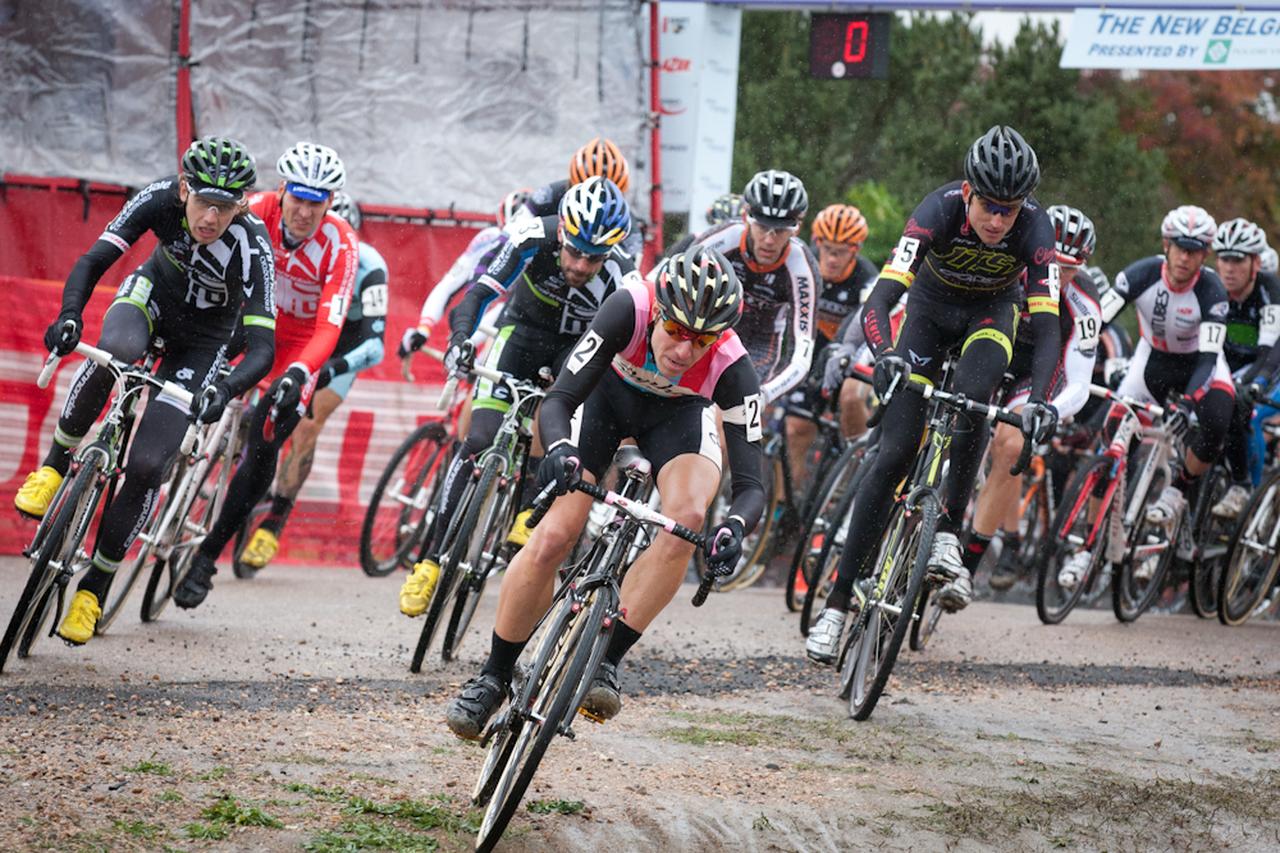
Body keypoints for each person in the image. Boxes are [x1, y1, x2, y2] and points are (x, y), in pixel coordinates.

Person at [443, 246, 765, 738]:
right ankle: (494, 675)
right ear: (658, 313)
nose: (683, 351)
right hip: (604, 400)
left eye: (700, 341)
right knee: (555, 534)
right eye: (676, 332)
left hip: (678, 418)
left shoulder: (735, 369)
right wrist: (561, 451)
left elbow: (752, 484)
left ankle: (606, 661)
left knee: (687, 520)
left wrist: (737, 527)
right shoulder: (628, 307)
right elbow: (561, 399)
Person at [807, 125, 1061, 662]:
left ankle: (947, 529)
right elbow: (879, 300)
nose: (997, 220)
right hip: (926, 313)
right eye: (989, 206)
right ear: (968, 193)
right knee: (895, 452)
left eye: (1009, 210)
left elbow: (1048, 322)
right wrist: (885, 357)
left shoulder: (1037, 229)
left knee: (974, 396)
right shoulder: (936, 211)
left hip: (991, 316)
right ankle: (834, 604)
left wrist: (1040, 398)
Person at [11, 136, 277, 644]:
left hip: (202, 344)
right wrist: (69, 316)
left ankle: (95, 588)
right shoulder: (158, 198)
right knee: (116, 354)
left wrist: (224, 388)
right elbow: (93, 261)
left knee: (151, 464)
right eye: (202, 202)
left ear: (241, 204)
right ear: (183, 189)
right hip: (150, 300)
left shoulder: (253, 245)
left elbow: (263, 348)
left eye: (225, 208)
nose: (211, 218)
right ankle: (54, 464)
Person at [397, 177, 638, 617]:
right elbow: (478, 291)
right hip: (520, 337)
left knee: (557, 427)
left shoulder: (624, 273)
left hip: (576, 350)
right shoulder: (532, 235)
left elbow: (627, 345)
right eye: (575, 251)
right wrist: (460, 340)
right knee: (477, 441)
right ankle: (429, 562)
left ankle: (528, 513)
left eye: (594, 257)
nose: (582, 265)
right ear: (562, 231)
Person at [173, 141, 358, 608]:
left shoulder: (341, 244)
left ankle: (207, 556)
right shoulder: (253, 211)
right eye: (298, 198)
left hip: (297, 347)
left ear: (330, 203)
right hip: (245, 323)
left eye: (316, 203)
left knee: (268, 435)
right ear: (282, 190)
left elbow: (330, 326)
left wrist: (298, 371)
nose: (304, 211)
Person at [240, 191, 390, 566]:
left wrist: (332, 371)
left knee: (307, 427)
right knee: (250, 414)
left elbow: (375, 346)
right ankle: (251, 470)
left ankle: (274, 522)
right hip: (297, 333)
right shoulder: (288, 245)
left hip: (342, 350)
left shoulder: (369, 265)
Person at [969, 204, 1102, 595]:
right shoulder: (1009, 260)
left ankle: (968, 561)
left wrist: (1051, 411)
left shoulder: (1085, 302)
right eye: (1052, 263)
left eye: (1070, 268)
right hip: (993, 347)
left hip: (1038, 371)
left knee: (1010, 445)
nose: (1058, 276)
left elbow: (1079, 381)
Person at [1093, 205, 1232, 541]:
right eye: (1180, 248)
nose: (1185, 257)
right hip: (1151, 359)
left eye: (1195, 251)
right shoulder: (1141, 274)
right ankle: (1089, 537)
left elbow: (1209, 357)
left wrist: (1189, 402)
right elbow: (1097, 322)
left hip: (1199, 365)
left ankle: (1179, 489)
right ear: (1166, 245)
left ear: (1205, 256)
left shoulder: (1212, 293)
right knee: (1110, 435)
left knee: (1216, 419)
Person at [692, 169, 819, 405]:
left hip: (759, 345)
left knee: (725, 411)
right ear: (745, 218)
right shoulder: (726, 238)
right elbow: (661, 278)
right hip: (711, 328)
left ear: (797, 228)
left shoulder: (801, 266)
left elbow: (803, 353)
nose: (769, 240)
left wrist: (766, 394)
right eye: (762, 227)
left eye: (780, 231)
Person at [785, 203, 879, 483]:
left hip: (848, 349)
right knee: (794, 428)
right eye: (827, 249)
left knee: (851, 398)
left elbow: (867, 327)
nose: (832, 259)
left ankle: (856, 472)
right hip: (812, 345)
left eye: (841, 252)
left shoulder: (866, 277)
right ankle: (789, 502)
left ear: (856, 250)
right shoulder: (805, 263)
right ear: (817, 243)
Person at [397, 189, 530, 362]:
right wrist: (424, 329)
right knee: (469, 349)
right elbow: (449, 285)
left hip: (521, 319)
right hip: (497, 315)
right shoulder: (490, 238)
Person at [1209, 217, 1280, 518]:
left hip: (1271, 368)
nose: (1228, 267)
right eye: (1223, 258)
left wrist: (1257, 382)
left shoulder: (1269, 290)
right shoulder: (1214, 288)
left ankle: (1249, 490)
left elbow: (1269, 353)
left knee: (1248, 411)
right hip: (1237, 366)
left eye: (1237, 260)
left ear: (1255, 264)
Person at [523, 137, 643, 257]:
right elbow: (510, 234)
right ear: (571, 185)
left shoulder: (628, 226)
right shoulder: (547, 195)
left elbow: (632, 264)